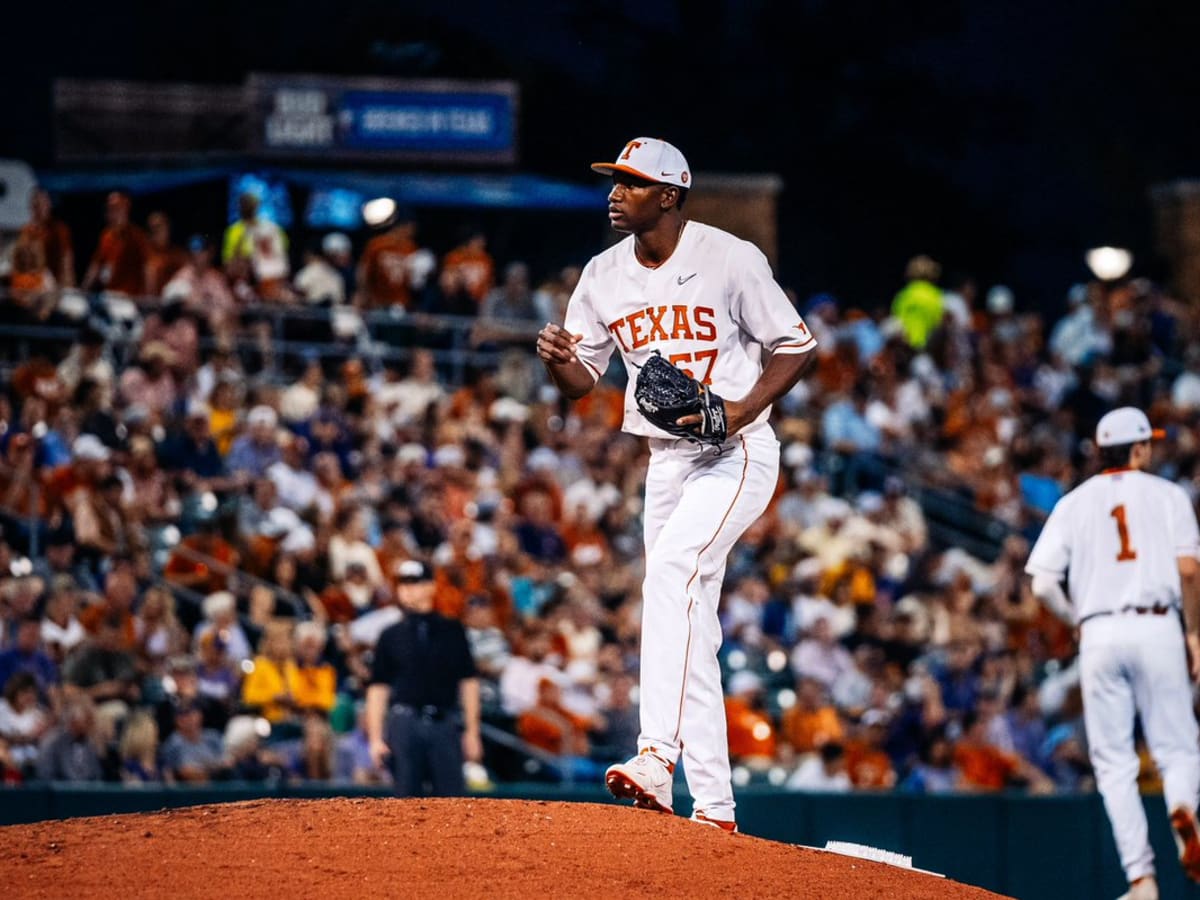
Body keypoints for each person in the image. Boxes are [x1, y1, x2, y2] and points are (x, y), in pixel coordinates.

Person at [537, 137, 817, 831]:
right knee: (686, 617)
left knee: (669, 574)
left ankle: (657, 756)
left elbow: (797, 345)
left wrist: (742, 409)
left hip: (737, 450)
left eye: (630, 183)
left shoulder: (729, 258)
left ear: (669, 194)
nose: (614, 192)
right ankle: (716, 809)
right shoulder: (601, 274)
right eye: (613, 181)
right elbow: (582, 384)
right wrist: (557, 364)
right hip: (667, 459)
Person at [1025, 406, 1200, 900]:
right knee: (1178, 748)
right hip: (1158, 625)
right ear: (1140, 449)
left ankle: (1141, 880)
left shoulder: (1075, 502)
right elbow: (1189, 571)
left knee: (1113, 764)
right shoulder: (1169, 495)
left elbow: (1040, 584)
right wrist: (1193, 634)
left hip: (1100, 631)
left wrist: (1077, 617)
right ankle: (1182, 805)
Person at [365, 560, 482, 797]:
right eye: (403, 584)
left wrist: (472, 731)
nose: (408, 589)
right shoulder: (390, 635)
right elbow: (378, 688)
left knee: (452, 803)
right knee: (405, 802)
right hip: (404, 723)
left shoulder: (452, 630)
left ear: (431, 586)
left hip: (444, 722)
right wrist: (376, 738)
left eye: (415, 583)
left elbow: (469, 682)